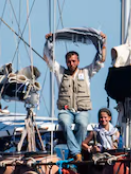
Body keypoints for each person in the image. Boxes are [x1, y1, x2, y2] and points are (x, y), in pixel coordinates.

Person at [43, 31, 107, 161]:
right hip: (66, 111)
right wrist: (48, 43)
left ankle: (75, 153)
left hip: (81, 111)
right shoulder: (60, 73)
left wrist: (103, 44)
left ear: (78, 61)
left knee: (82, 124)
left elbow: (100, 60)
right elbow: (48, 58)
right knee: (65, 123)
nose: (71, 63)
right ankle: (77, 153)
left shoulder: (86, 72)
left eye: (73, 61)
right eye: (69, 61)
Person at [81, 108, 119, 174]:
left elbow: (115, 146)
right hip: (98, 160)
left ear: (109, 118)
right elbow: (83, 144)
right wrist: (91, 149)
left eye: (105, 117)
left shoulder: (115, 132)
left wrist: (109, 148)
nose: (103, 119)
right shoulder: (95, 131)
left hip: (110, 160)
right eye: (101, 117)